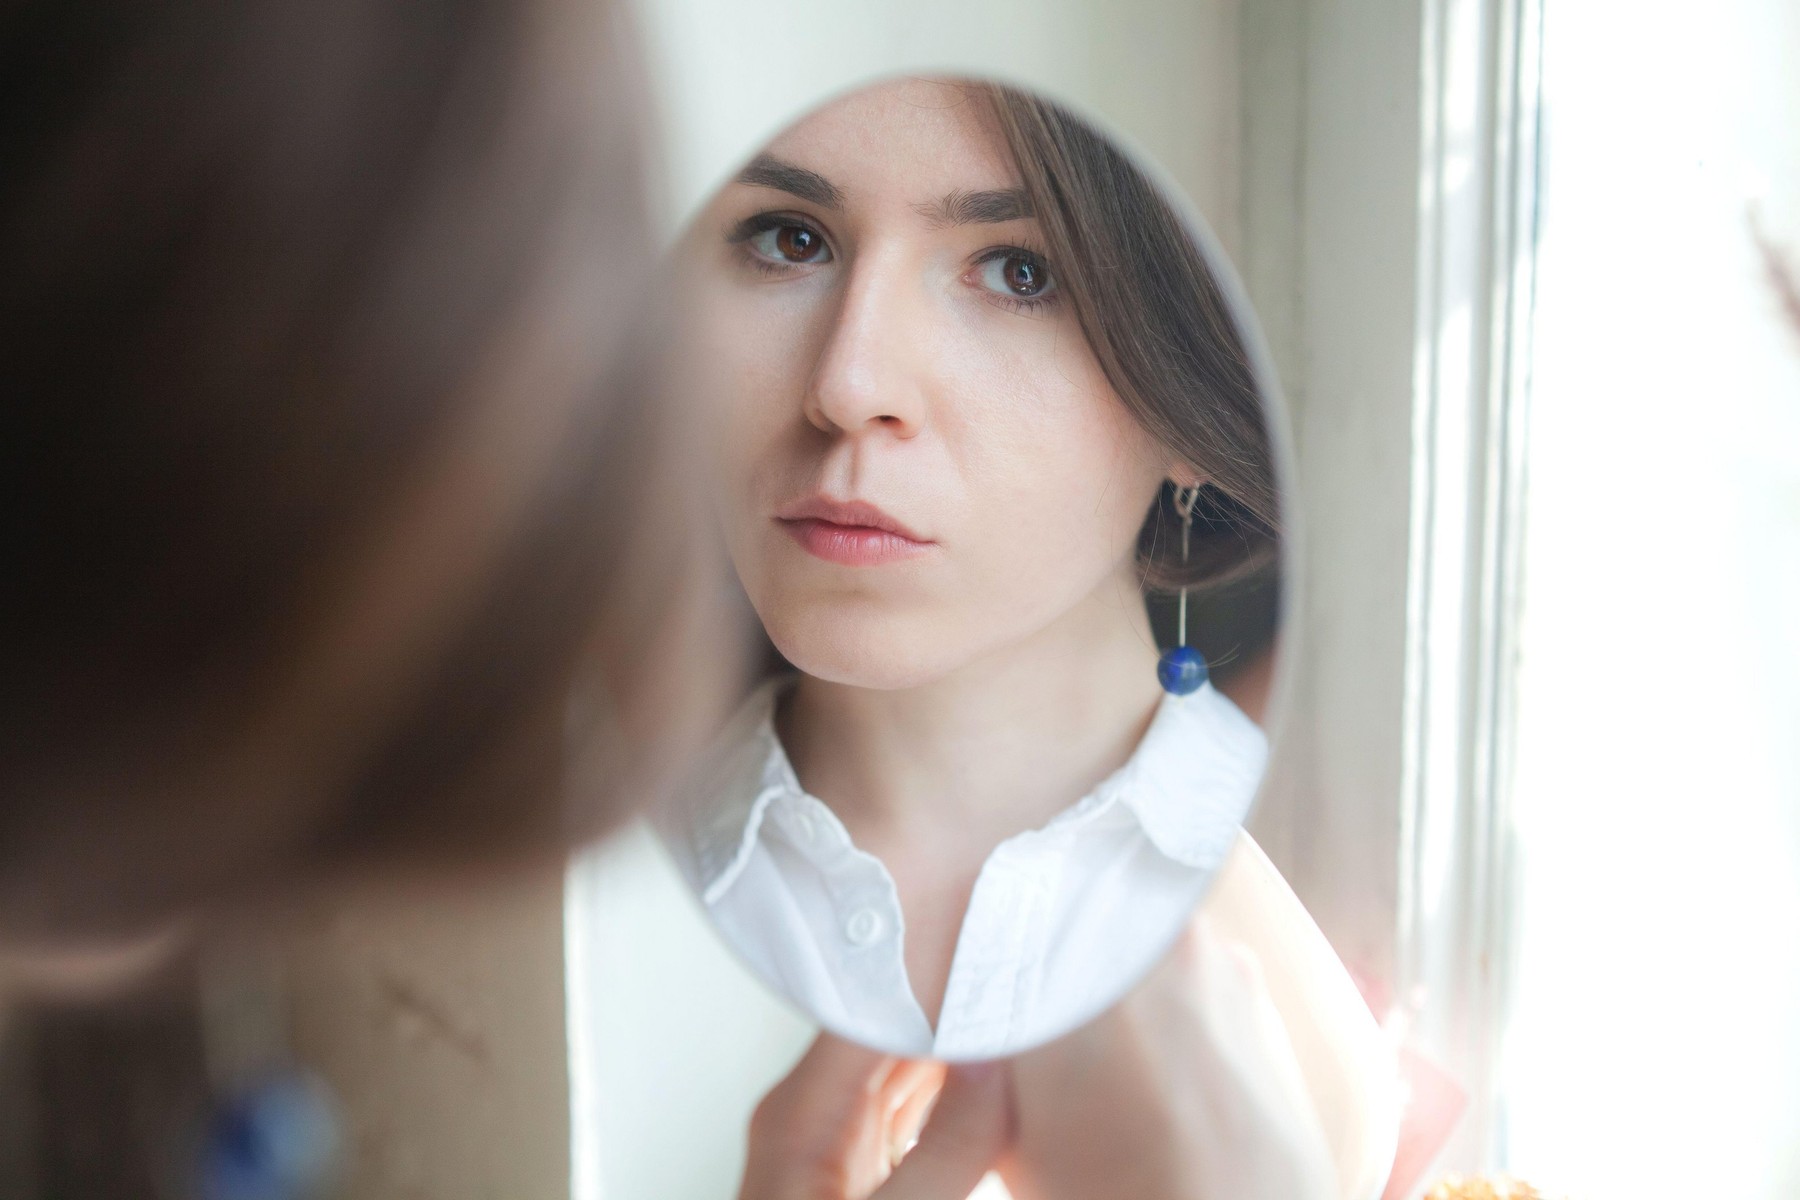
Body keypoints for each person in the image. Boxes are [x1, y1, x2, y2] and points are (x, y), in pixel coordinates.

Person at [663, 76, 1282, 1061]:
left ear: (1189, 388)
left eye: (1019, 271)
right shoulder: (550, 876)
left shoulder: (1310, 955)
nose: (848, 385)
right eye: (791, 238)